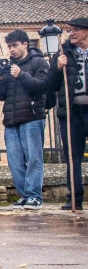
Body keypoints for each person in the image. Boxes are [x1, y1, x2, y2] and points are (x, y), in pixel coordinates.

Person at [0, 29, 49, 209]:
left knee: (33, 158)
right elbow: (1, 96)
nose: (11, 50)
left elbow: (42, 87)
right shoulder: (8, 66)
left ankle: (34, 196)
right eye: (9, 46)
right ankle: (24, 195)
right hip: (11, 119)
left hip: (32, 117)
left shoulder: (39, 62)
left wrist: (21, 74)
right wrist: (0, 79)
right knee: (14, 160)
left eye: (15, 45)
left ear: (25, 44)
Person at [44, 17, 88, 211]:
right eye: (70, 30)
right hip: (71, 112)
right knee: (73, 156)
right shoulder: (63, 52)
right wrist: (57, 68)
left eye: (76, 30)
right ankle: (75, 198)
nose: (71, 33)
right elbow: (50, 85)